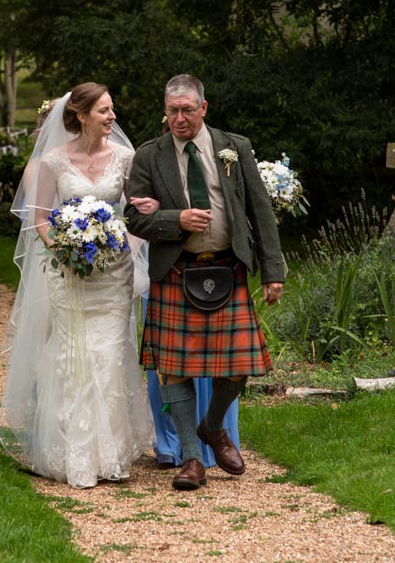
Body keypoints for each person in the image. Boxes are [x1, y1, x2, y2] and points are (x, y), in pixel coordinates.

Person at [124, 74, 285, 491]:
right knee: (173, 370)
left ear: (204, 108)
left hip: (228, 268)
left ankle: (213, 427)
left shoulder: (235, 147)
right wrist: (173, 220)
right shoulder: (149, 156)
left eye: (187, 110)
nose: (179, 118)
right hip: (177, 270)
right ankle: (191, 461)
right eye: (172, 110)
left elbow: (260, 209)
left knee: (239, 365)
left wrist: (273, 271)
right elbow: (133, 217)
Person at [0, 83, 155, 488]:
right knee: (73, 356)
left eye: (113, 109)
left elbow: (136, 214)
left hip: (112, 275)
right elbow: (41, 220)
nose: (113, 117)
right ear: (81, 115)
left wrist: (124, 249)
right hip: (69, 275)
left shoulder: (125, 157)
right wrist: (66, 251)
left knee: (108, 355)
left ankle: (110, 456)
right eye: (104, 110)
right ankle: (73, 453)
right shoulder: (52, 162)